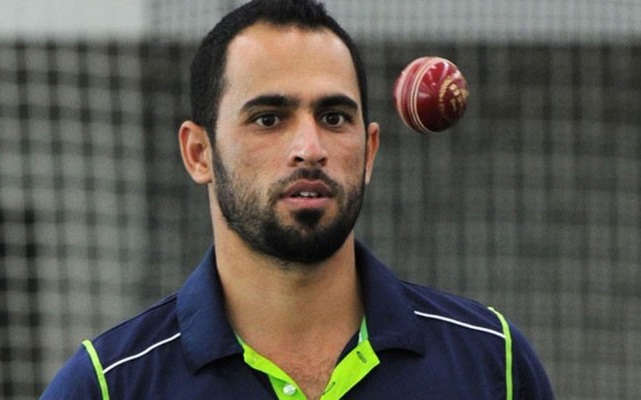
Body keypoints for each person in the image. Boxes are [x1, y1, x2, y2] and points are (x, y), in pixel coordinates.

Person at [41, 0, 555, 399]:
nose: (310, 148)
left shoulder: (492, 362)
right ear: (199, 153)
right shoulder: (108, 385)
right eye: (268, 119)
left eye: (334, 118)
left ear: (370, 151)